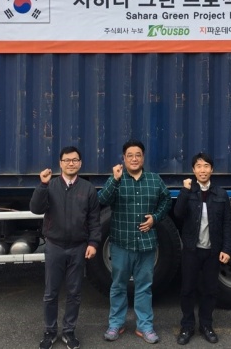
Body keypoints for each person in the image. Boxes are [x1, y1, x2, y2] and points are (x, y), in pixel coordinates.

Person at [99, 139, 172, 344]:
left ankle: (145, 326)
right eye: (129, 155)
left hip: (146, 244)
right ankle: (116, 324)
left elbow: (166, 200)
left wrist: (155, 218)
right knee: (118, 286)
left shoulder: (154, 180)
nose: (134, 159)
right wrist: (114, 180)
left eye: (138, 155)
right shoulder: (117, 179)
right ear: (123, 158)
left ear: (143, 157)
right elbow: (102, 200)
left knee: (144, 287)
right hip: (121, 243)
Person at [30, 146, 101, 349]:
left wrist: (93, 243)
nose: (71, 163)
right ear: (60, 163)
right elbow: (35, 209)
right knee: (50, 293)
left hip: (78, 247)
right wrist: (42, 185)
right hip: (55, 246)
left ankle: (69, 332)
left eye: (75, 160)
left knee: (74, 292)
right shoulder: (50, 185)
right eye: (67, 160)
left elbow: (94, 220)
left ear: (80, 163)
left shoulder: (88, 189)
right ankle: (50, 332)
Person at [173, 152, 231, 345]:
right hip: (192, 250)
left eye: (206, 166)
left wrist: (227, 249)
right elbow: (178, 213)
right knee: (187, 289)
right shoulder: (188, 191)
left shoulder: (221, 194)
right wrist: (184, 191)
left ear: (212, 169)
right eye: (198, 166)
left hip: (212, 251)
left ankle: (206, 325)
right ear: (193, 170)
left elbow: (228, 223)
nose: (202, 170)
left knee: (210, 290)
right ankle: (187, 326)